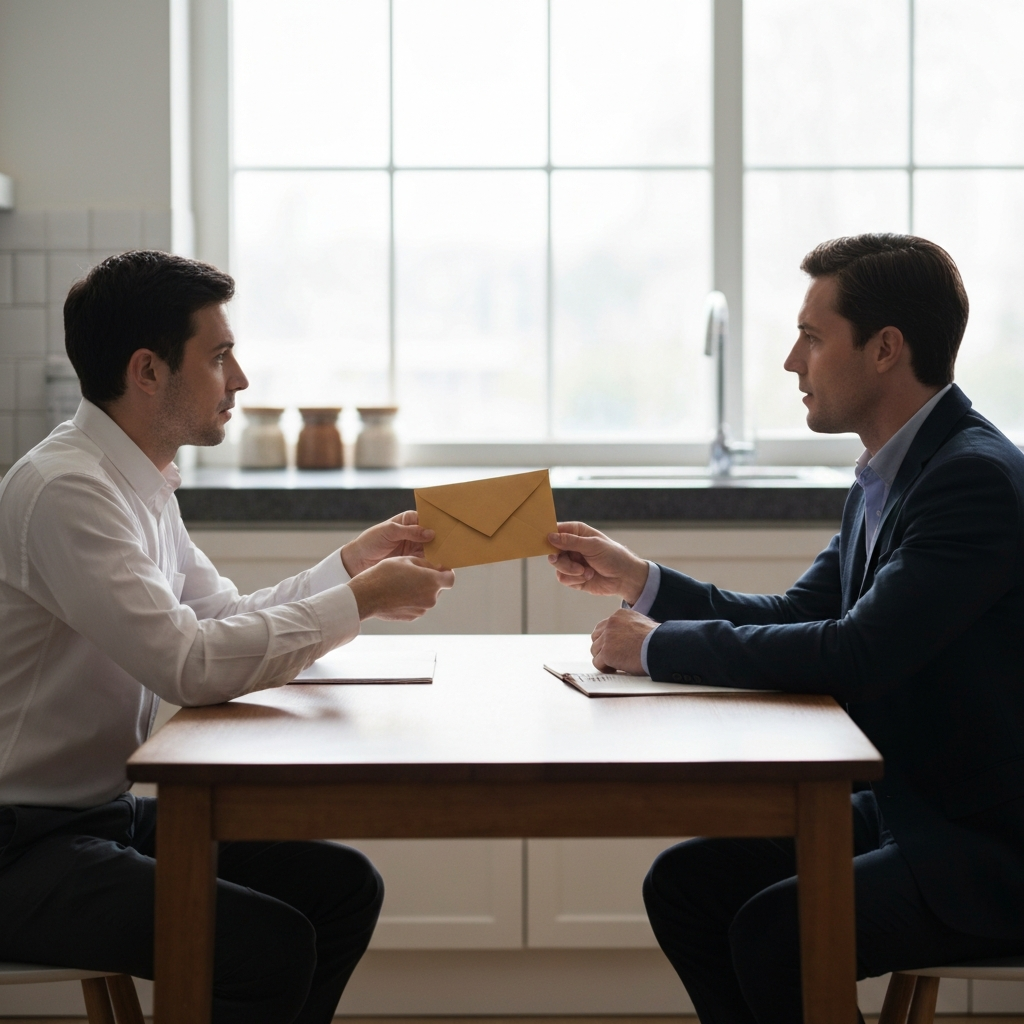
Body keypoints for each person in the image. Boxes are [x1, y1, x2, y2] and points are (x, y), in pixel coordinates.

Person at [546, 234, 1024, 1023]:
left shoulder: (969, 479)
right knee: (689, 886)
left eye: (811, 336)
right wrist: (643, 583)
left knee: (777, 933)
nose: (790, 362)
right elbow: (803, 616)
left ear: (885, 350)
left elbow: (856, 653)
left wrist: (655, 648)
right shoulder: (892, 469)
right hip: (918, 807)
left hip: (984, 843)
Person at [0, 251, 455, 1024]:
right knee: (266, 946)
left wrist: (351, 566)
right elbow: (190, 665)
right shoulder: (68, 491)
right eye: (218, 356)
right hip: (21, 844)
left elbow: (218, 617)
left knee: (341, 889)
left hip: (95, 815)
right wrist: (358, 602)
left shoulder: (137, 481)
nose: (239, 380)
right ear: (148, 371)